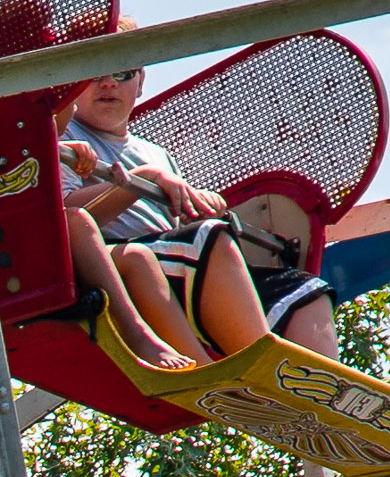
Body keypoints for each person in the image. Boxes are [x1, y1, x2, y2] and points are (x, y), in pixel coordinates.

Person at [57, 62, 341, 380]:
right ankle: (263, 373)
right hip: (116, 259)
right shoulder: (69, 137)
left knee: (301, 290)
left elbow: (177, 223)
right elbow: (67, 219)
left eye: (122, 73)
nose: (108, 83)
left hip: (174, 264)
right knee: (208, 239)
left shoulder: (156, 154)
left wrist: (199, 206)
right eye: (95, 73)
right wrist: (143, 180)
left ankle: (321, 389)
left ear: (140, 82)